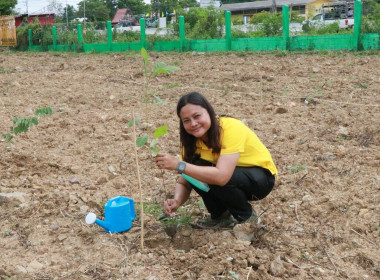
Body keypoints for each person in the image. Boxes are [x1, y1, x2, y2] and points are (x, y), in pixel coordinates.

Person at [154, 92, 277, 229]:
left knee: (208, 173)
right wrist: (177, 201)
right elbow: (186, 180)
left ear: (209, 112)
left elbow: (222, 177)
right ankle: (220, 216)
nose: (193, 123)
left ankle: (248, 219)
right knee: (195, 168)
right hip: (230, 177)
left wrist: (179, 165)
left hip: (260, 179)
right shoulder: (191, 143)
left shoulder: (230, 128)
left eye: (197, 116)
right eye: (186, 121)